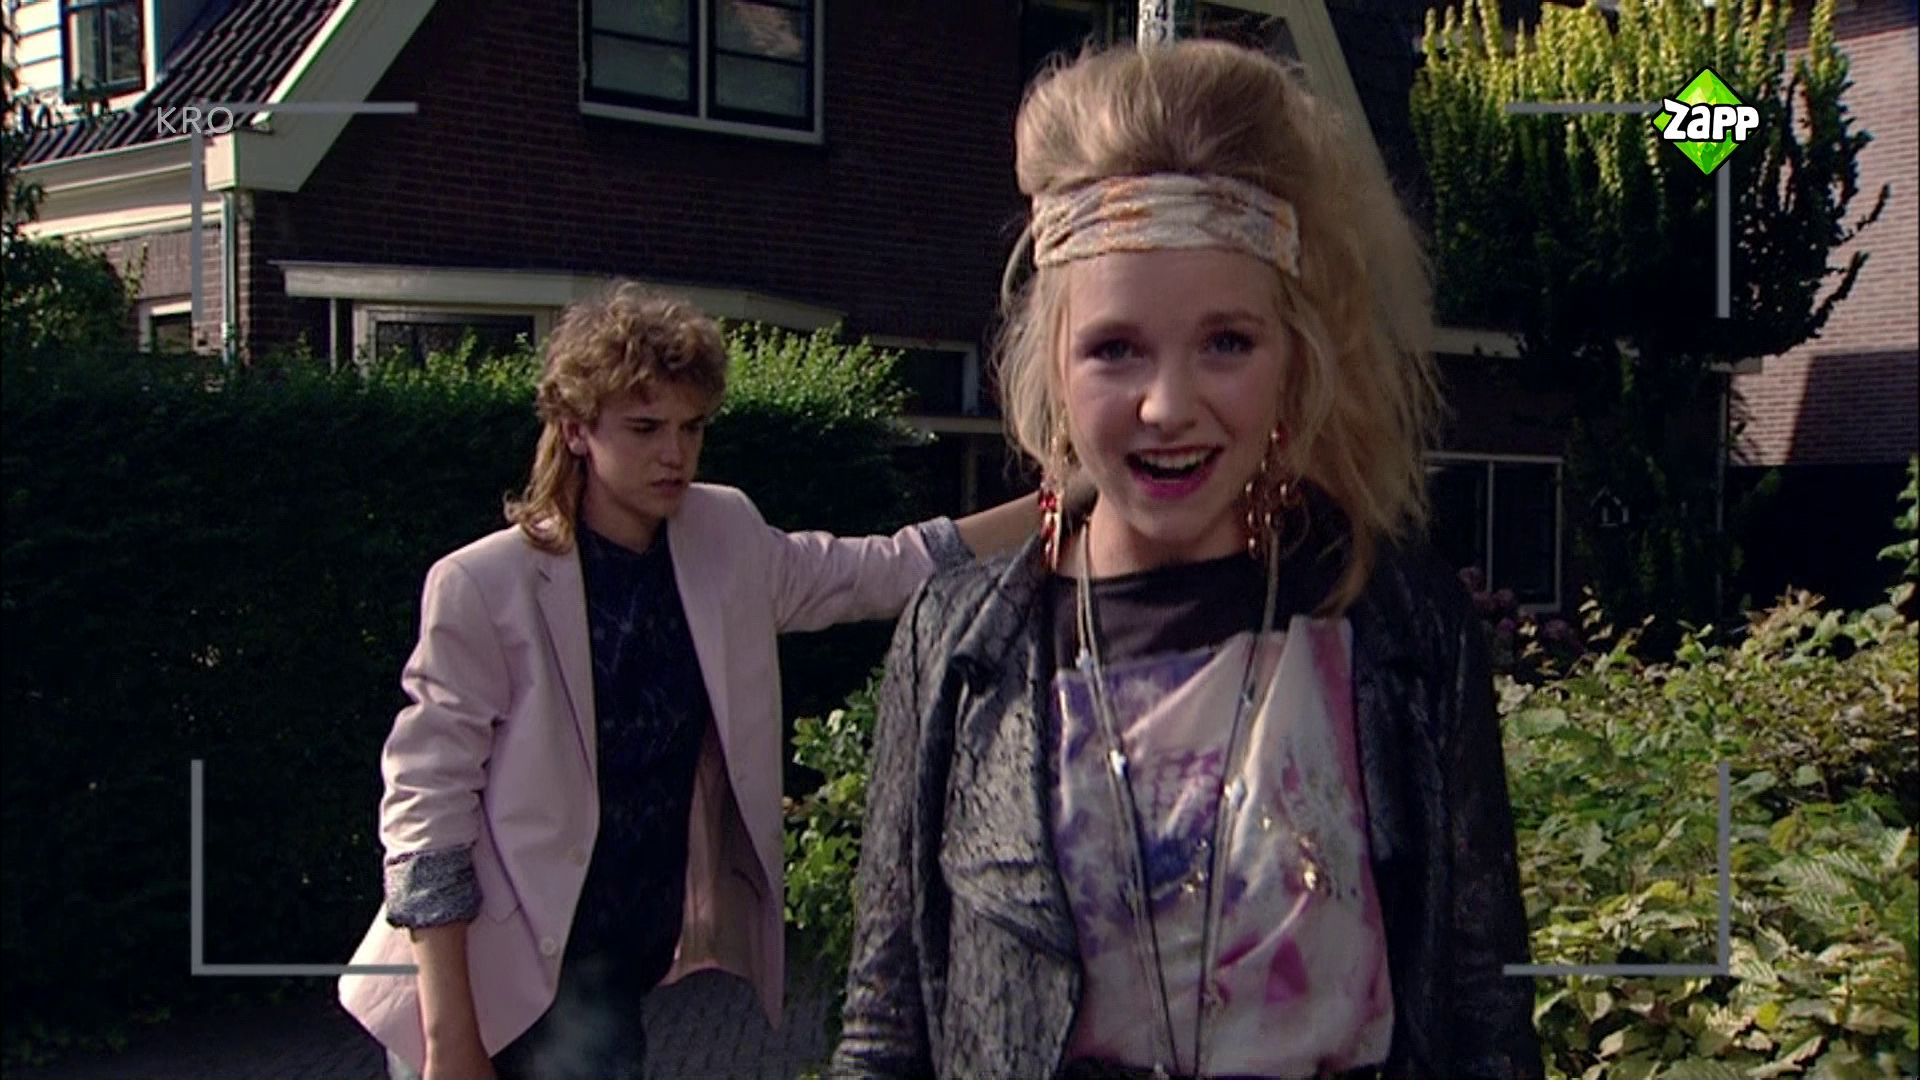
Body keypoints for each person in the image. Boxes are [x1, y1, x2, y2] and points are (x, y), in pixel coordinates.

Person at [832, 40, 1541, 1080]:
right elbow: (885, 1023)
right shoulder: (958, 644)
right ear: (1053, 366)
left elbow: (1486, 1010)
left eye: (1227, 343)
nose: (1168, 406)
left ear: (1294, 358)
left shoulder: (1402, 629)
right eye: (1115, 349)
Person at [338, 282, 1040, 1080]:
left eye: (692, 427)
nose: (674, 453)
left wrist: (1060, 505)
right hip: (488, 981)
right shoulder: (484, 584)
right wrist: (450, 1041)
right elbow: (426, 814)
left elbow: (884, 569)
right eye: (645, 428)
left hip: (614, 964)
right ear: (575, 429)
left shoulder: (723, 534)